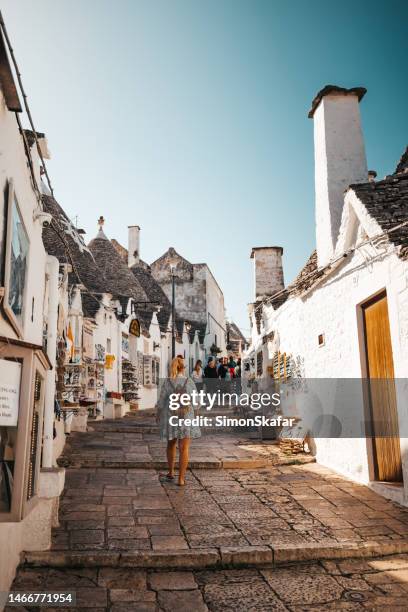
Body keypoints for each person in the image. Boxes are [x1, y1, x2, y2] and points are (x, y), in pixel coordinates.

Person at [156, 356, 200, 486]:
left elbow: (161, 400)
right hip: (186, 416)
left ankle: (171, 472)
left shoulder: (168, 382)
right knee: (184, 448)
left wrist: (158, 414)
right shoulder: (189, 381)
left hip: (171, 416)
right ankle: (181, 479)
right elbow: (196, 402)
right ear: (183, 368)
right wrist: (196, 414)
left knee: (171, 445)